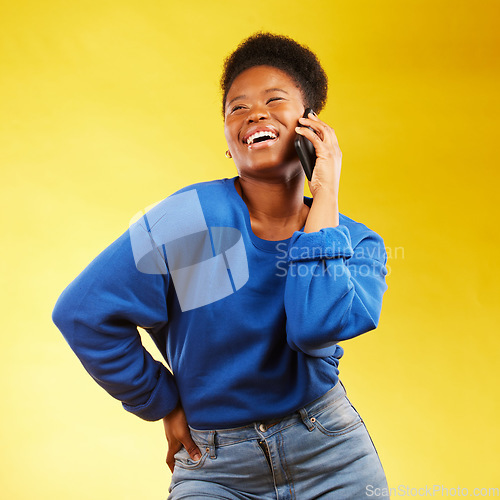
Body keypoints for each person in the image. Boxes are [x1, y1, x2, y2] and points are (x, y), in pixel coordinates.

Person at [53, 32, 390, 499]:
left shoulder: (359, 244)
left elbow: (314, 327)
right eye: (237, 108)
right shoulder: (187, 218)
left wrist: (326, 190)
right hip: (214, 466)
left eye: (276, 100)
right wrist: (161, 402)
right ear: (229, 144)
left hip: (331, 454)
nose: (254, 113)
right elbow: (81, 312)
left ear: (313, 128)